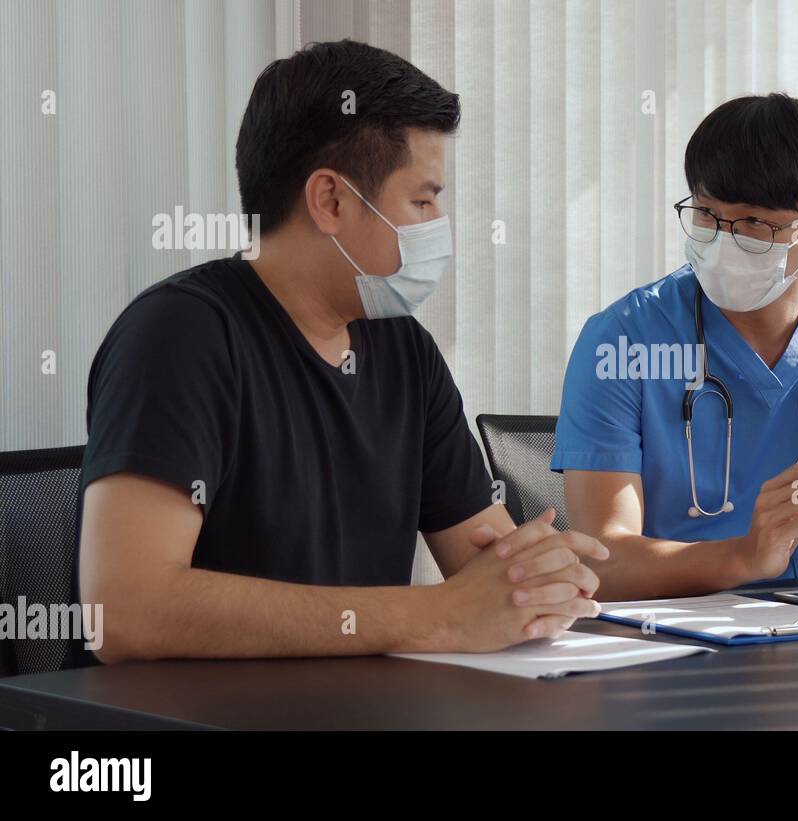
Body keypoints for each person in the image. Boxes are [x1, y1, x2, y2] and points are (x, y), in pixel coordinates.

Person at [77, 40, 605, 664]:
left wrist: (541, 579)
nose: (439, 225)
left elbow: (490, 568)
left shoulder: (404, 347)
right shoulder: (180, 334)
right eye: (424, 200)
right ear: (331, 200)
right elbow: (126, 611)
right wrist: (434, 614)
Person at [552, 93, 798, 600]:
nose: (722, 241)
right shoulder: (623, 341)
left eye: (755, 223)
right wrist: (744, 556)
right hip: (666, 635)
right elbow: (602, 559)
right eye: (707, 214)